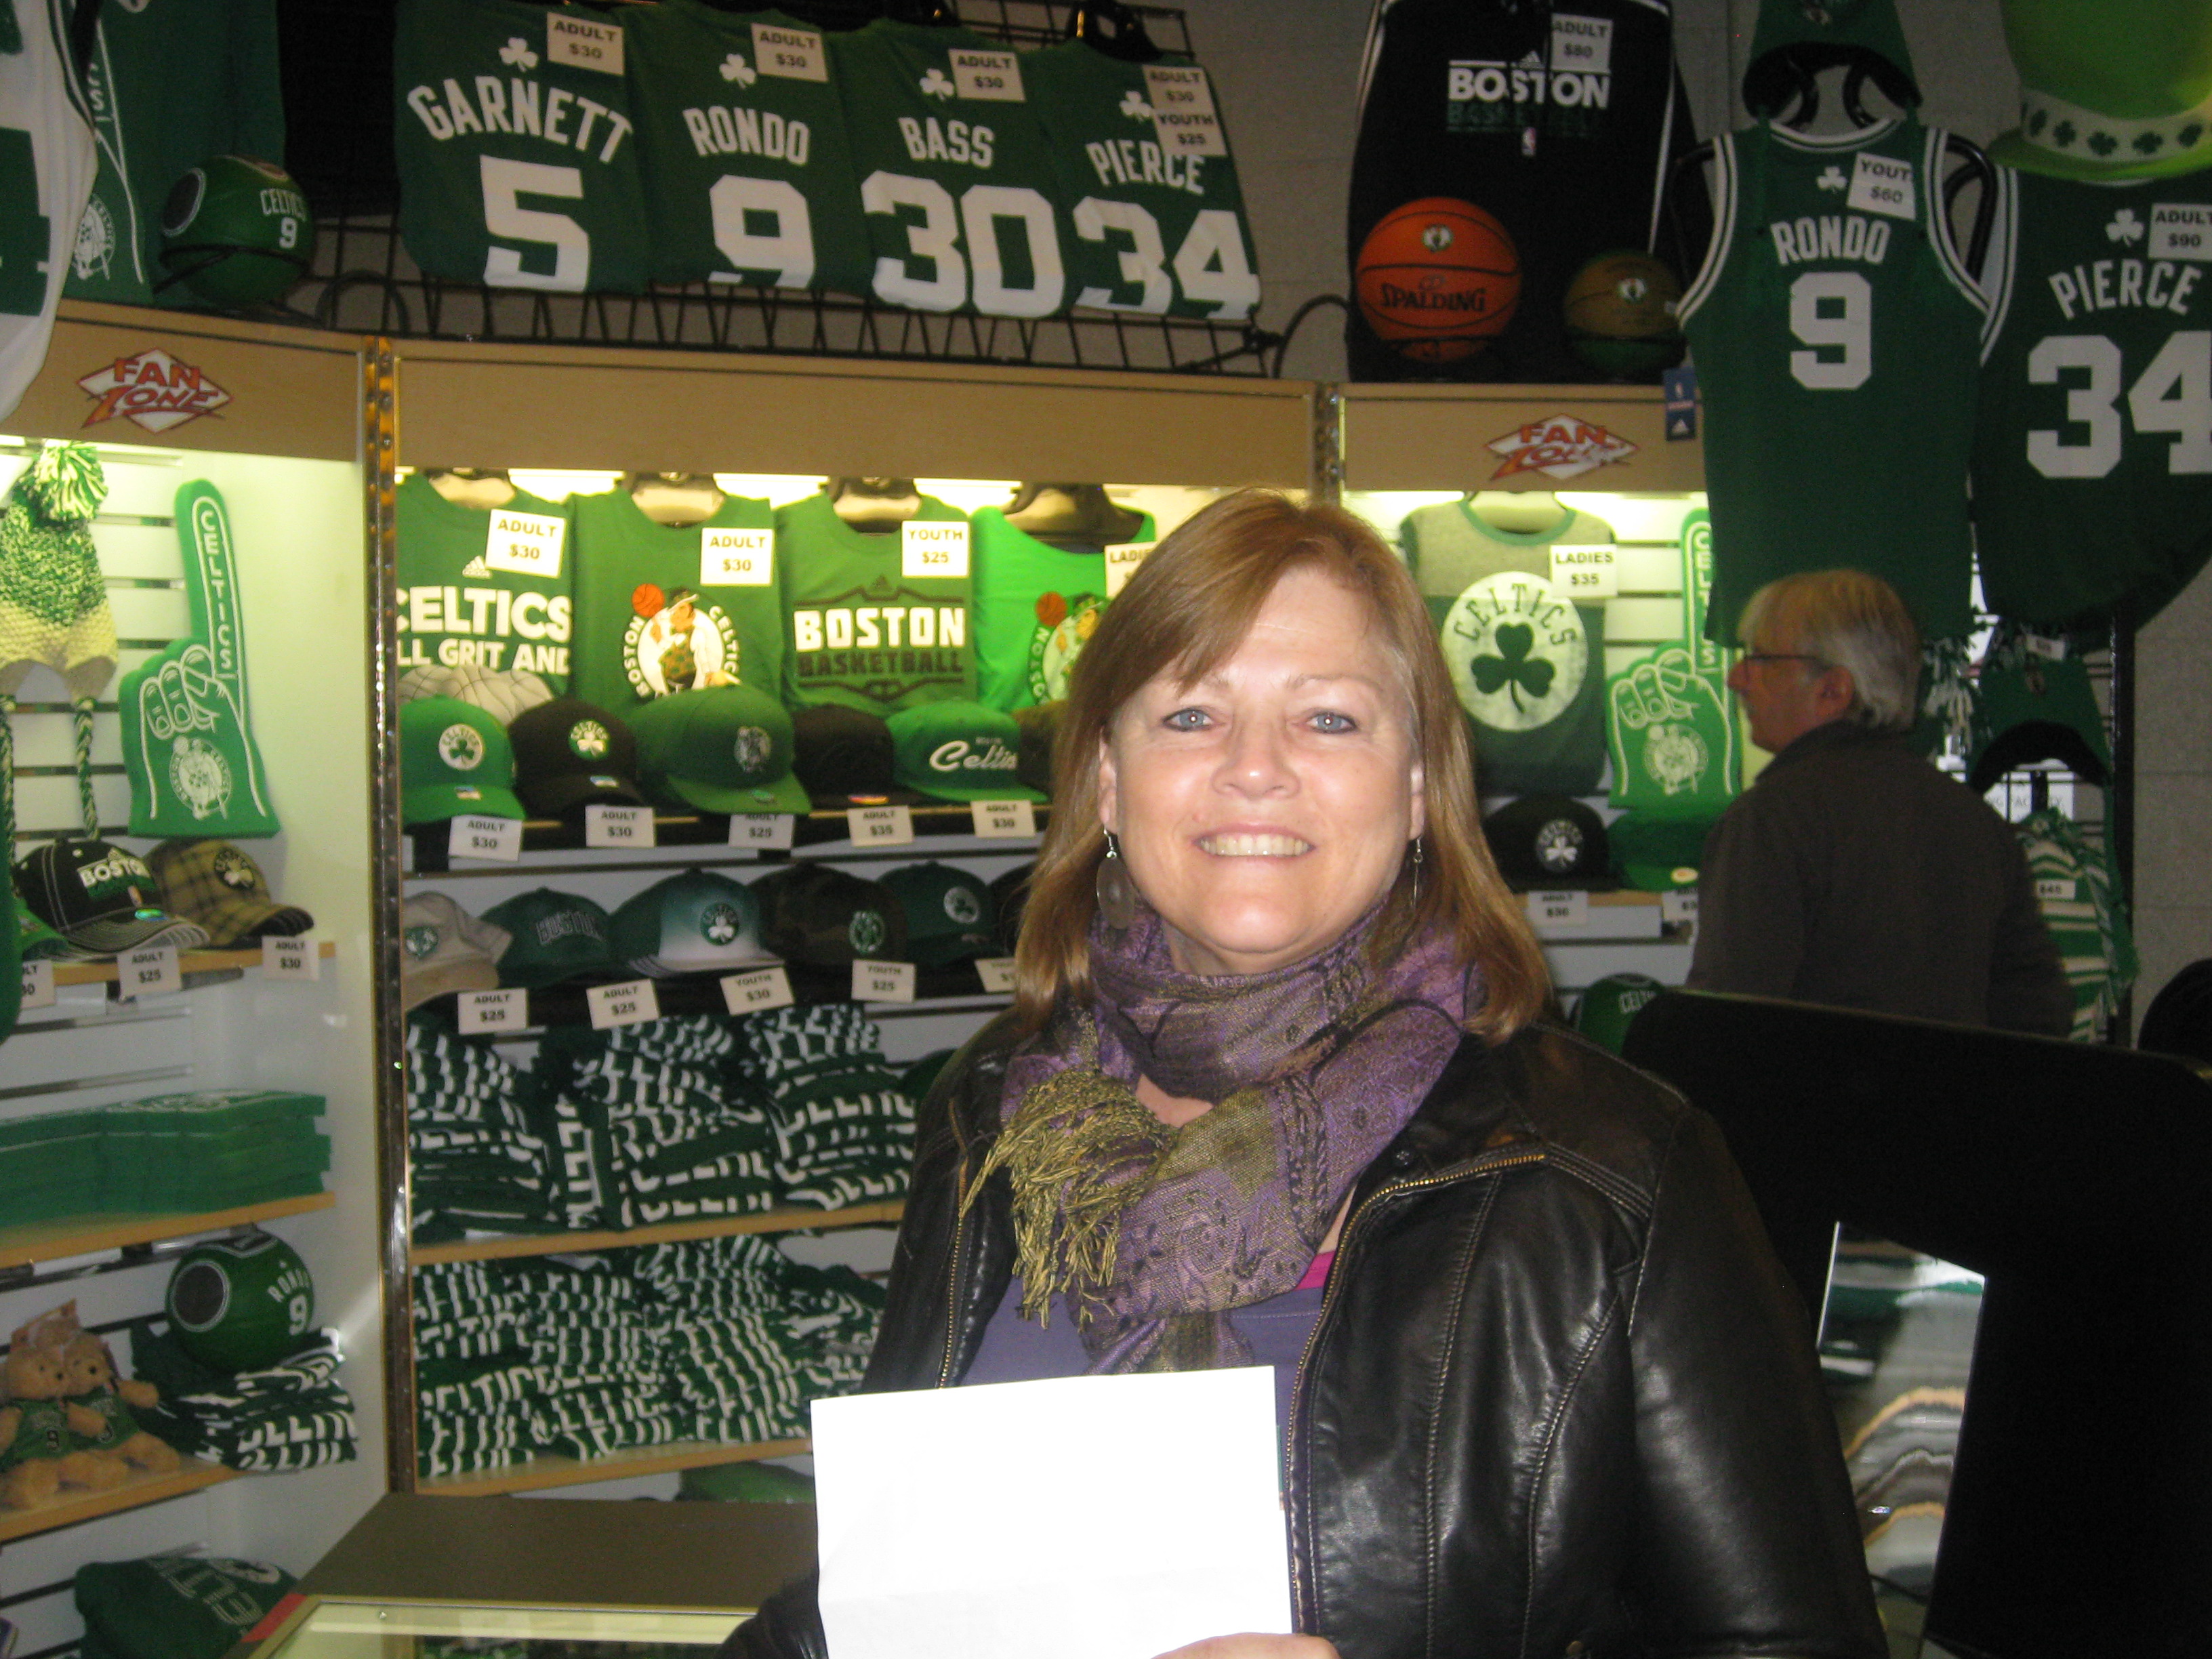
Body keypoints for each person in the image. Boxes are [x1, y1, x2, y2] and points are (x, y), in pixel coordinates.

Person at [729, 493, 1881, 1659]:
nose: (1254, 770)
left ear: (1419, 786)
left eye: (1328, 719)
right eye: (1190, 714)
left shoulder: (1609, 1177)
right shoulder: (992, 1112)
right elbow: (869, 1602)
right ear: (1109, 780)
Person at [1687, 569, 2071, 1035]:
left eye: (1760, 659)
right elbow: (2038, 1013)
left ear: (1833, 690)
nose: (1736, 679)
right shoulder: (1975, 821)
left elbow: (1727, 1022)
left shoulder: (1772, 820)